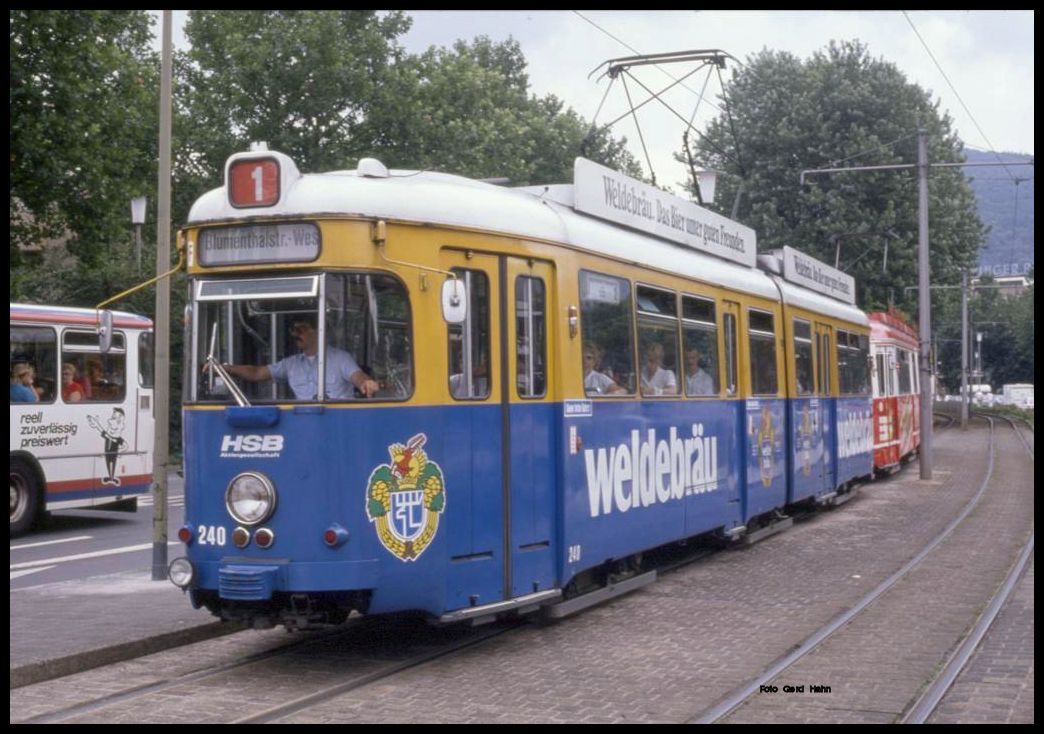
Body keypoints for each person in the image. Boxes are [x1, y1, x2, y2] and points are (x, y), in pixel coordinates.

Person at [217, 314, 378, 400]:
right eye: (293, 330)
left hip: (338, 423)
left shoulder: (341, 358)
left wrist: (366, 382)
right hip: (303, 427)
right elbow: (257, 373)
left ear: (317, 331)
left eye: (301, 329)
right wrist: (225, 368)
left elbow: (357, 376)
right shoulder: (291, 364)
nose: (295, 334)